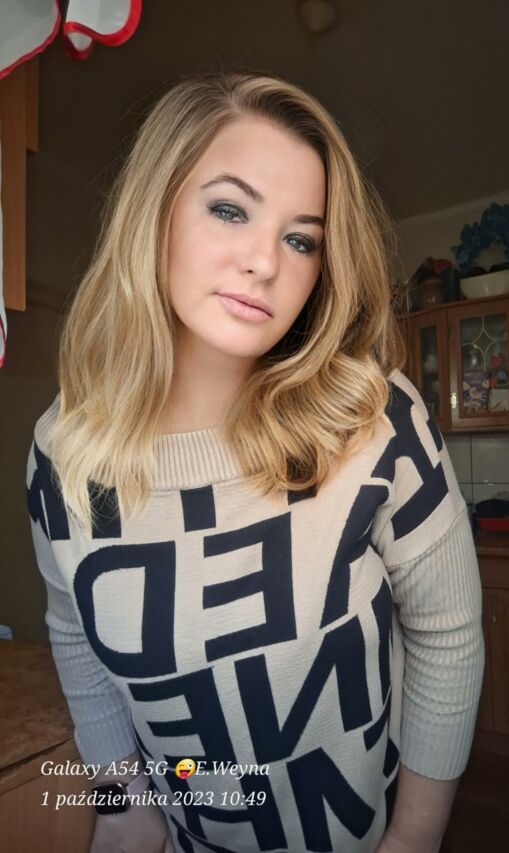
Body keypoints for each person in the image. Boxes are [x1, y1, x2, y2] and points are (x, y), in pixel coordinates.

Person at [26, 70, 484, 853]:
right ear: (154, 212)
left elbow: (447, 633)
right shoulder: (64, 450)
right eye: (230, 208)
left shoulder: (375, 416)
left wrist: (413, 839)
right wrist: (124, 805)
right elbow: (75, 636)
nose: (266, 262)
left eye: (301, 238)